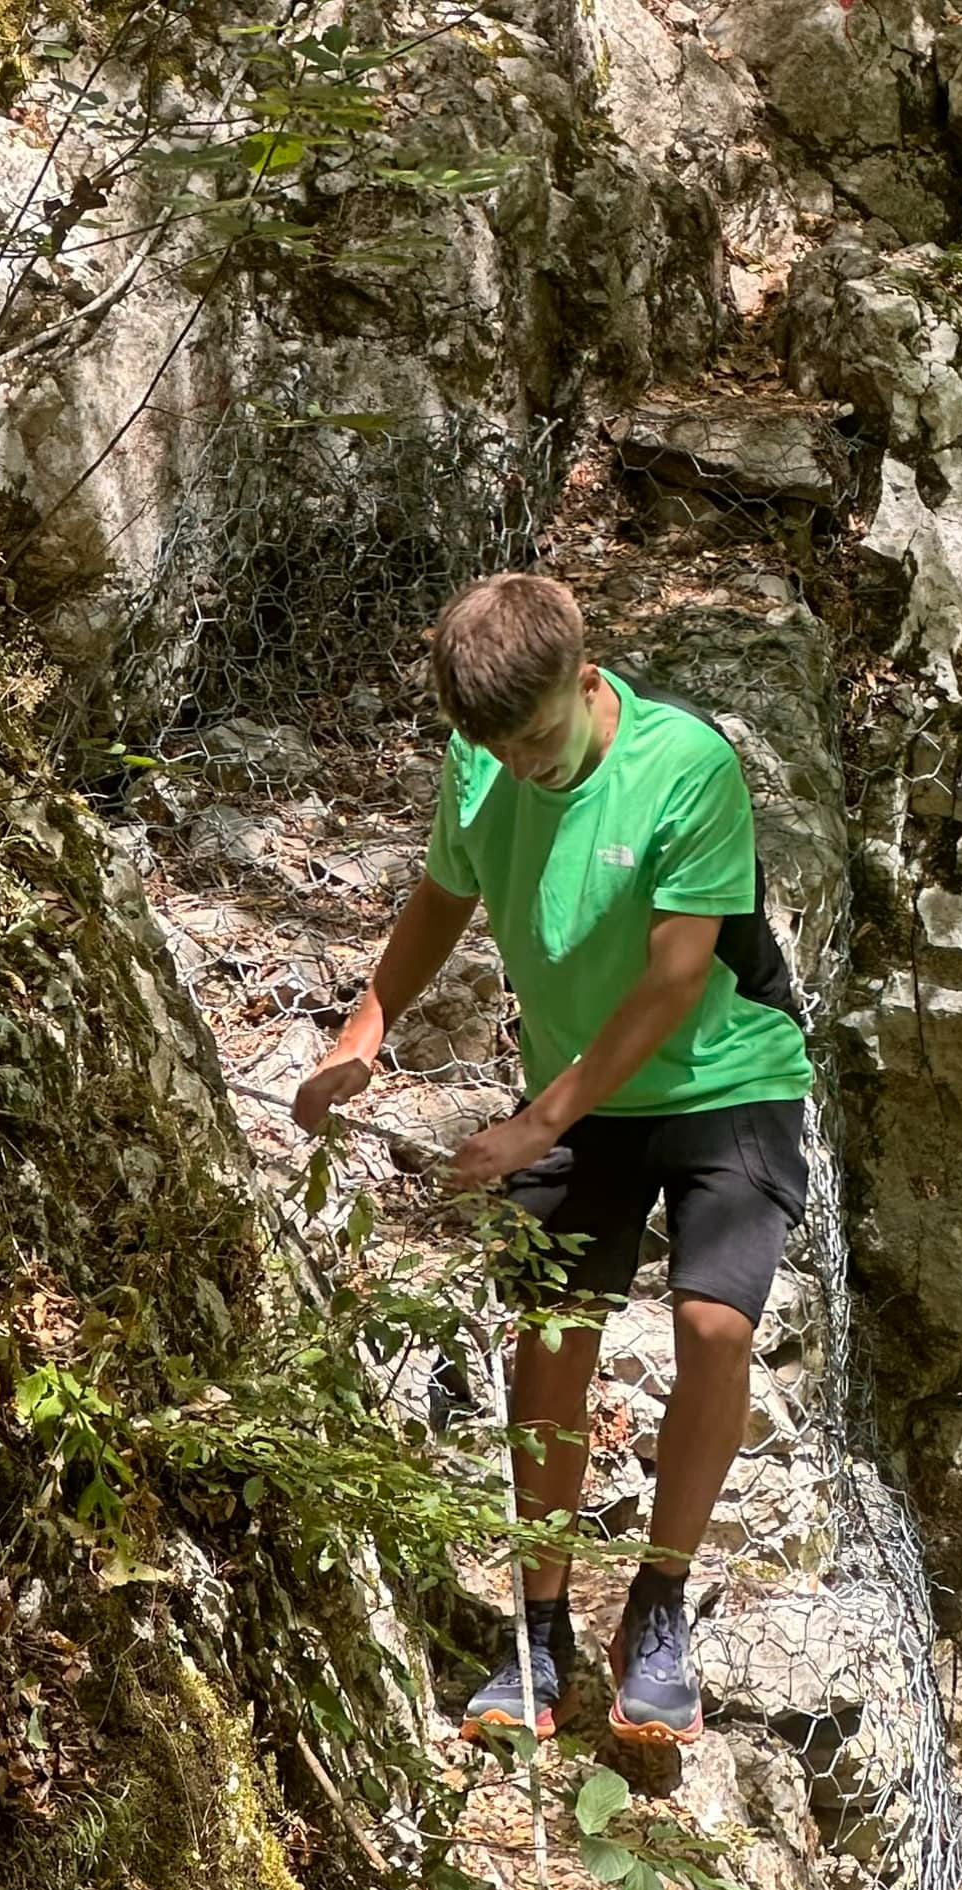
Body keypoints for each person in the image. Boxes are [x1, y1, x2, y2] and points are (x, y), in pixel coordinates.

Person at [292, 572, 811, 1747]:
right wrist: (363, 1028)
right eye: (499, 749)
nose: (522, 768)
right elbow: (444, 896)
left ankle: (661, 1601)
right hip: (586, 1084)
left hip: (725, 1072)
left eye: (537, 740)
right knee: (552, 1332)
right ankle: (538, 1630)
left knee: (714, 1325)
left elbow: (676, 981)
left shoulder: (689, 770)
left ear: (587, 682)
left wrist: (536, 1124)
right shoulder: (482, 762)